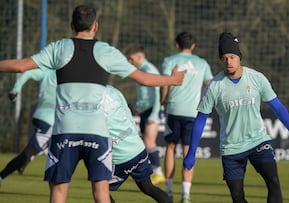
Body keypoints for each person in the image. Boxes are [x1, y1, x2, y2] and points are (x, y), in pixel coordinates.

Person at [0, 5, 185, 203]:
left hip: (65, 132)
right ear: (95, 26)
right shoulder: (106, 52)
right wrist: (173, 80)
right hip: (97, 135)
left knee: (59, 194)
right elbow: (144, 79)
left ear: (72, 25)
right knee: (101, 195)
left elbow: (20, 66)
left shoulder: (59, 48)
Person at [183, 32, 289, 203]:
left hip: (258, 141)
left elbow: (277, 106)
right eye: (225, 57)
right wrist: (192, 153)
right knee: (237, 196)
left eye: (232, 57)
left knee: (273, 182)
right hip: (231, 148)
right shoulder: (214, 87)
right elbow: (201, 120)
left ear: (239, 57)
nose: (228, 61)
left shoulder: (256, 78)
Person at [160, 31, 213, 203]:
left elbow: (165, 84)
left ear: (177, 45)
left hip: (174, 110)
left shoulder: (169, 60)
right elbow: (210, 85)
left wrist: (163, 101)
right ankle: (186, 194)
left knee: (170, 148)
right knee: (188, 151)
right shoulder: (202, 63)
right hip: (193, 112)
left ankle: (168, 191)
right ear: (193, 46)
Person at [102, 85, 170, 203]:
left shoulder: (91, 97)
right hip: (138, 148)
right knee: (148, 187)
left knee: (101, 190)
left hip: (120, 156)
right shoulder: (113, 90)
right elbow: (128, 114)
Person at [0, 69, 56, 183]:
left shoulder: (47, 71)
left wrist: (16, 89)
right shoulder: (68, 73)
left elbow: (28, 73)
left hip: (40, 117)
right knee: (26, 154)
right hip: (49, 122)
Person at [125, 44, 165, 185]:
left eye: (131, 59)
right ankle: (152, 171)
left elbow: (157, 92)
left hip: (152, 111)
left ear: (140, 56)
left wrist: (154, 114)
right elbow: (144, 95)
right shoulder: (140, 70)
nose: (130, 62)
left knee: (149, 142)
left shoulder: (149, 70)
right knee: (145, 142)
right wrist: (139, 106)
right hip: (145, 111)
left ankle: (158, 173)